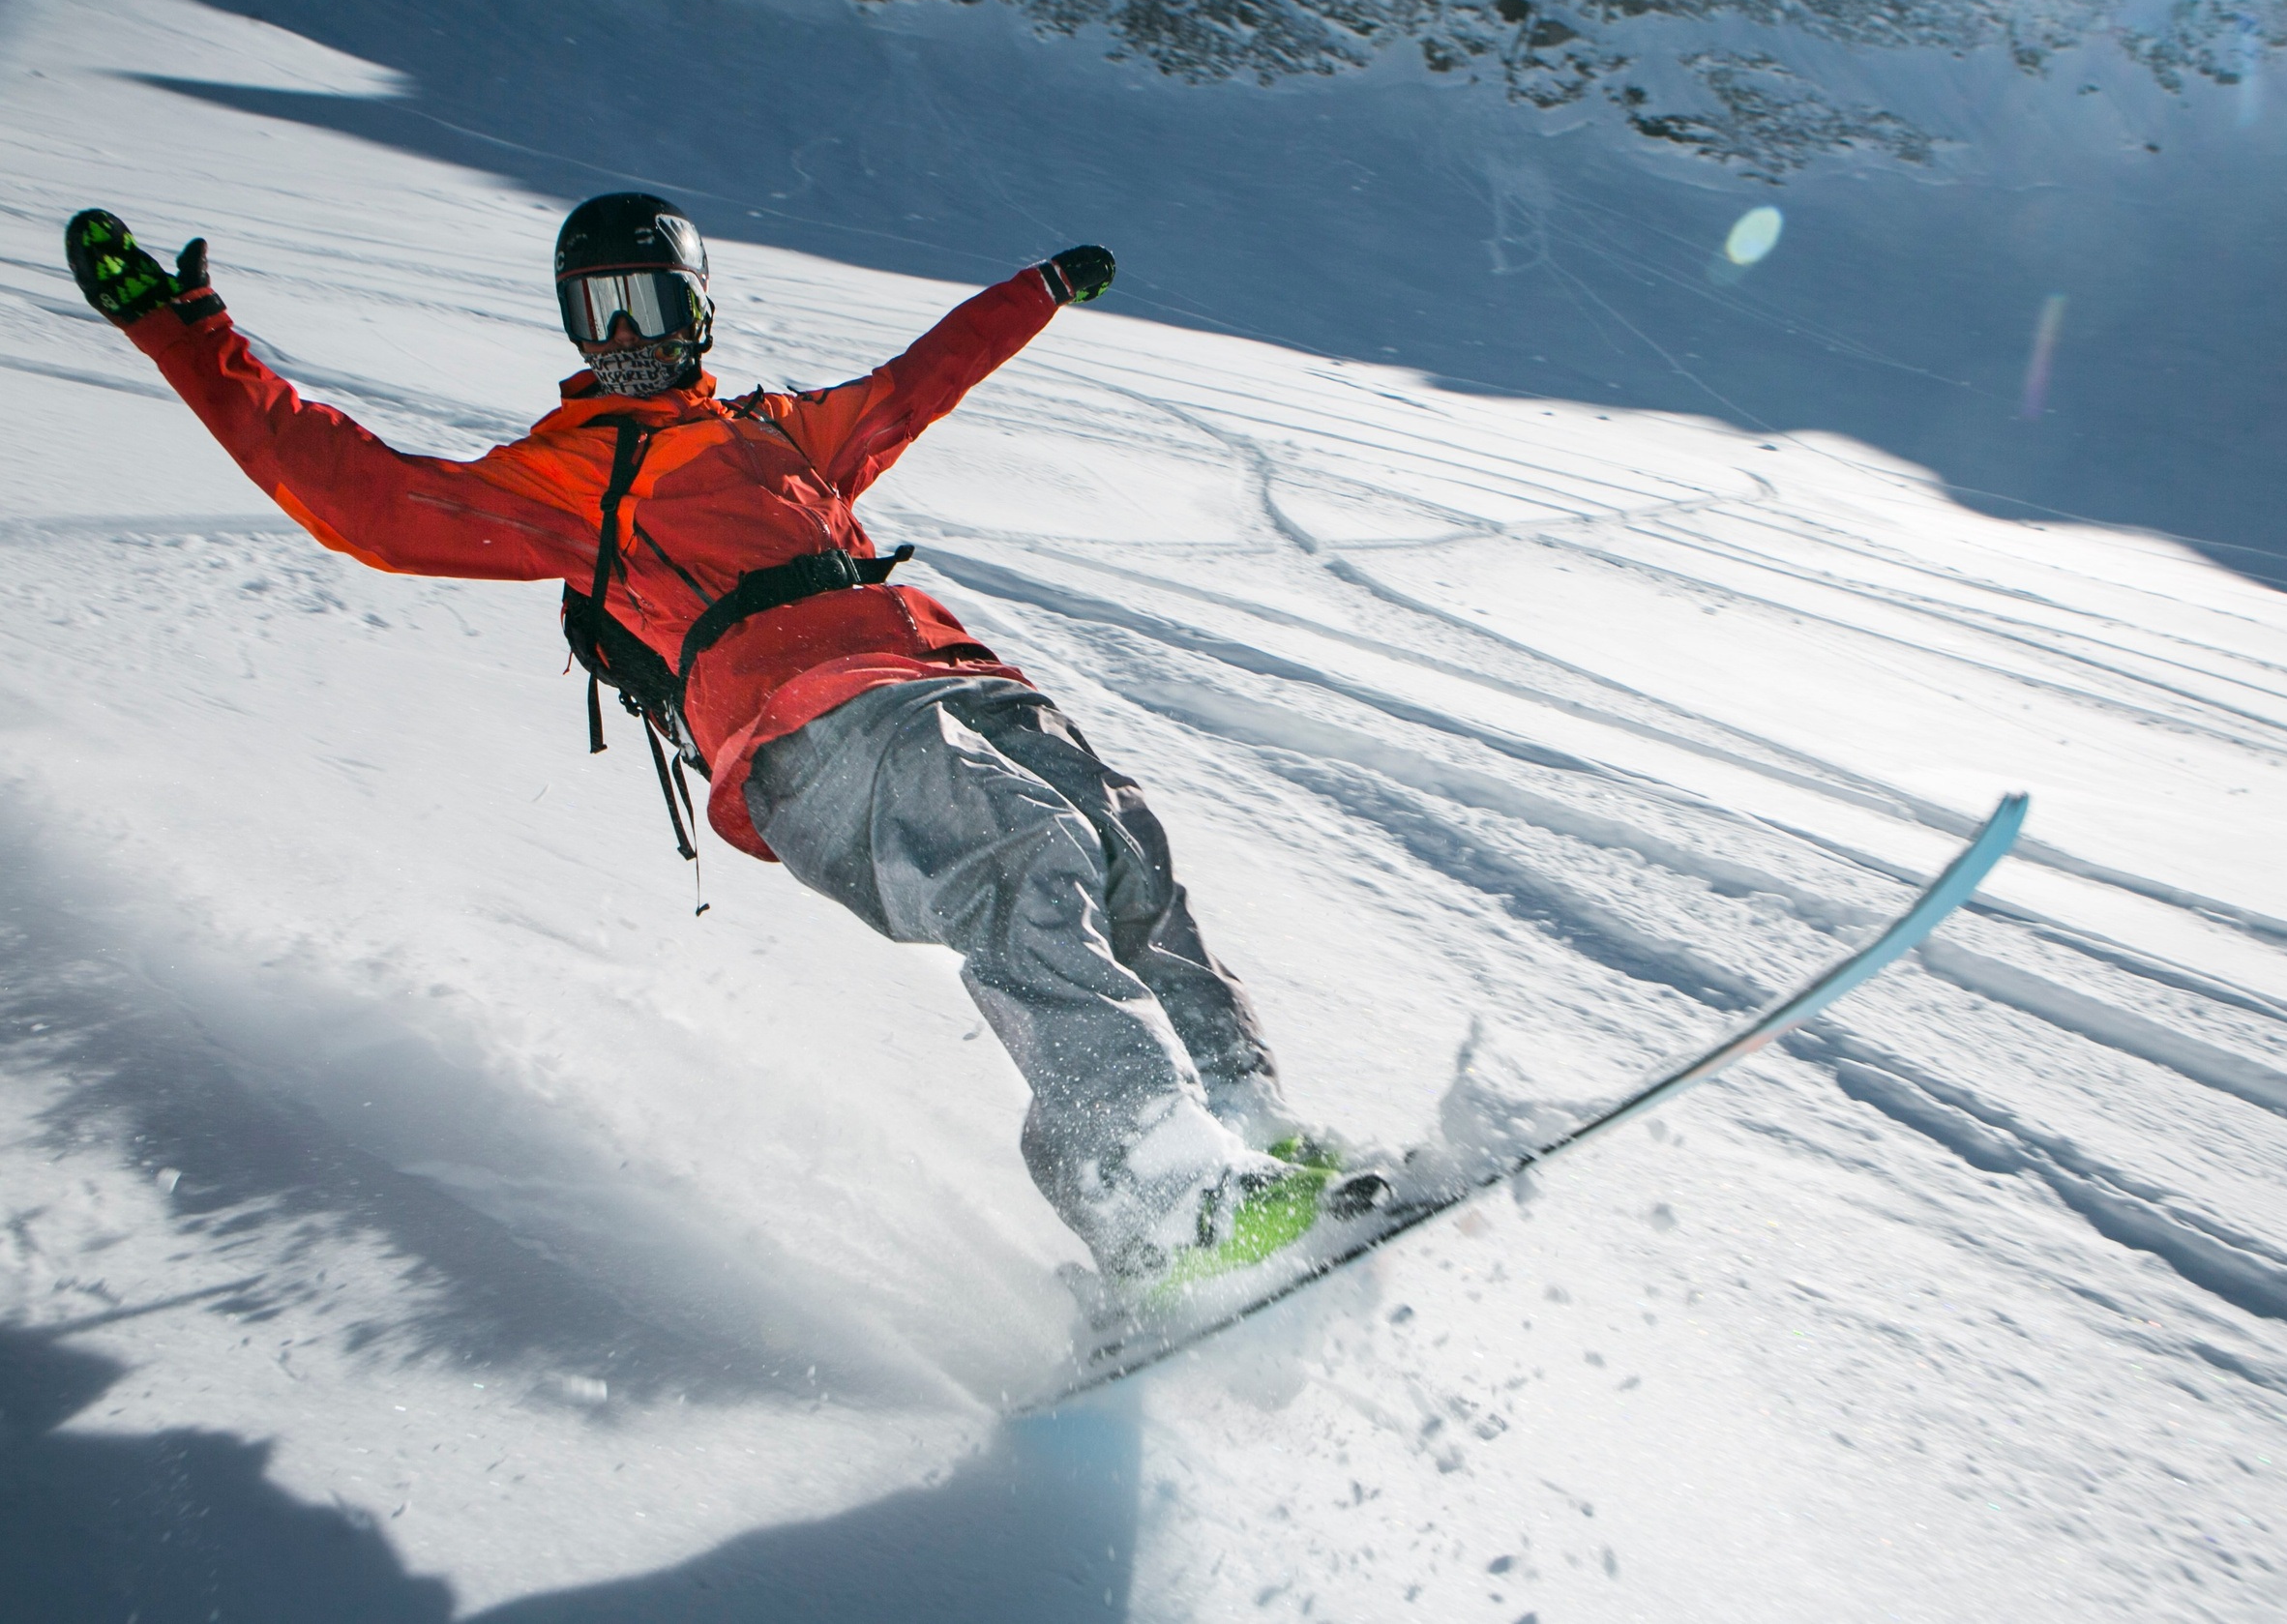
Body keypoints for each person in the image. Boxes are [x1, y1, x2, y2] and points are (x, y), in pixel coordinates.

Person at [64, 195, 1383, 1293]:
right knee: (1020, 865)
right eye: (602, 314)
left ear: (696, 312)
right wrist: (188, 338)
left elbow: (916, 383)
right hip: (810, 729)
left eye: (651, 305)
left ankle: (1247, 1138)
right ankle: (1154, 1189)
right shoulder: (571, 475)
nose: (629, 337)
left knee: (1124, 856)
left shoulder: (777, 432)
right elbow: (360, 498)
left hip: (952, 674)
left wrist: (1033, 292)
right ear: (576, 328)